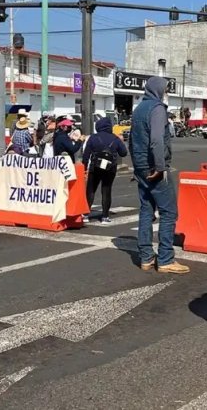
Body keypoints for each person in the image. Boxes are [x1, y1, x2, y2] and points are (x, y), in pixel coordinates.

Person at [130, 76, 190, 275]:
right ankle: (165, 259)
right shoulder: (157, 109)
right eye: (166, 90)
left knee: (146, 210)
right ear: (158, 90)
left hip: (140, 166)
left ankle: (146, 257)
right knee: (169, 212)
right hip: (154, 167)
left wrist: (136, 166)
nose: (167, 94)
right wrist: (159, 165)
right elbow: (156, 140)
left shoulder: (138, 110)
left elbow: (132, 140)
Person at [82, 117, 128, 224]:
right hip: (110, 168)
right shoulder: (115, 138)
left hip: (95, 167)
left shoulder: (93, 138)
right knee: (106, 190)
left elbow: (86, 155)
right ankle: (105, 216)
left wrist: (84, 168)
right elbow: (123, 153)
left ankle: (85, 214)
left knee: (91, 190)